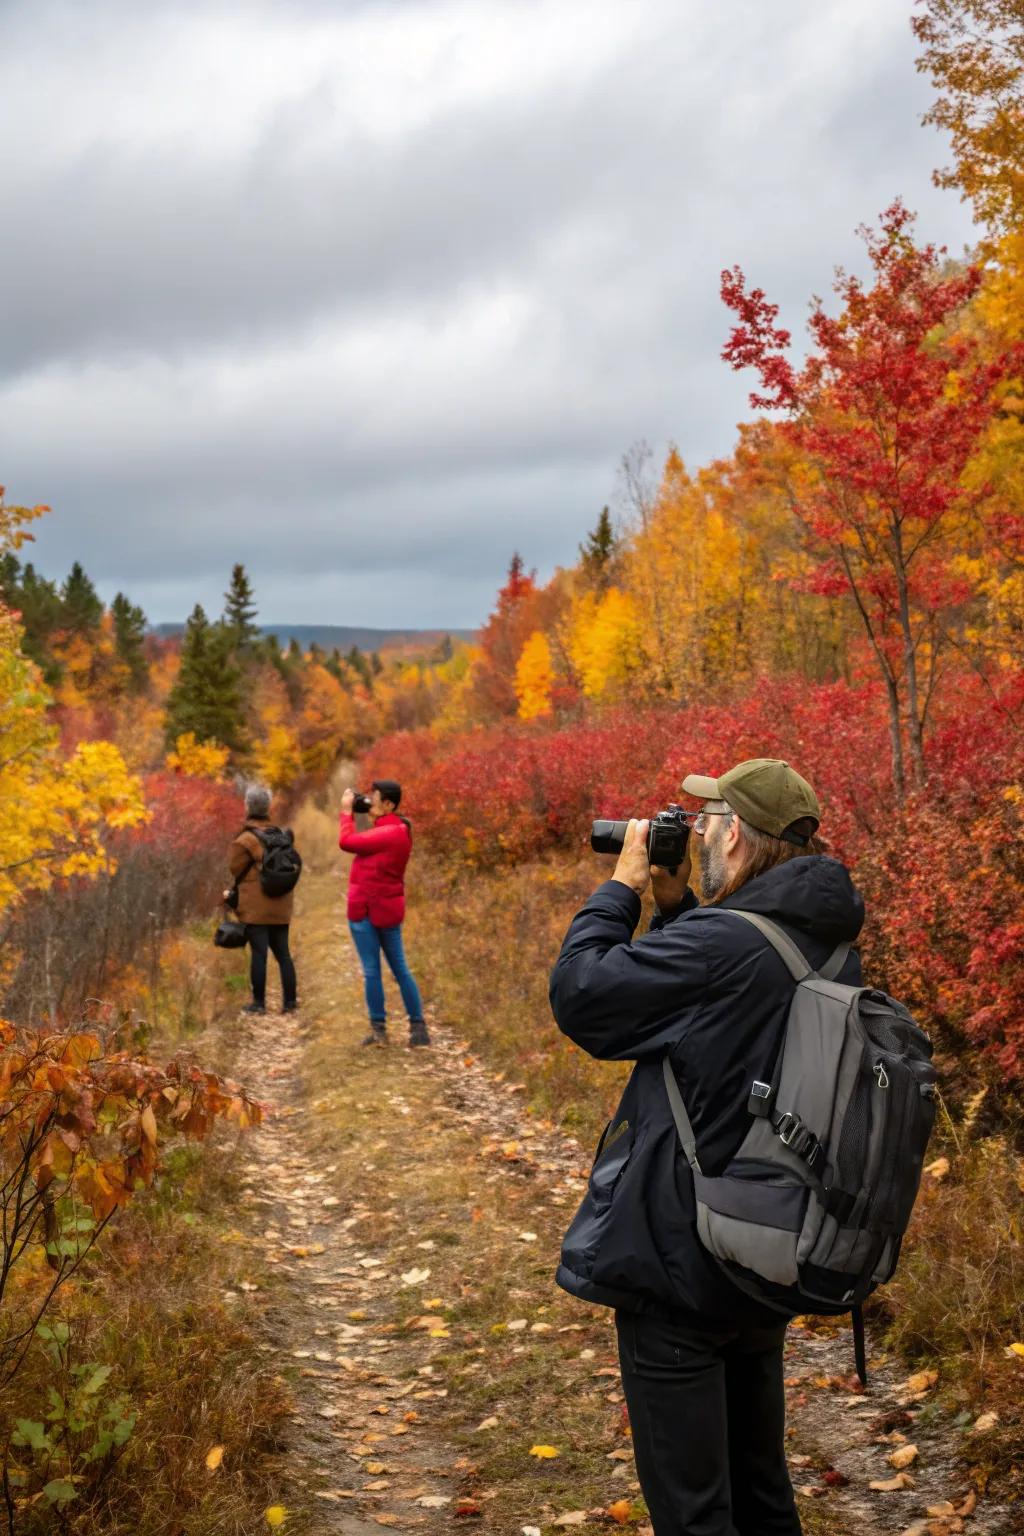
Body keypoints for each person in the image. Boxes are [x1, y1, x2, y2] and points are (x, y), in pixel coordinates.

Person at [549, 758, 864, 1536]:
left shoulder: (722, 944)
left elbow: (584, 998)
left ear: (739, 837)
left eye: (708, 821)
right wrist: (677, 906)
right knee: (760, 1492)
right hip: (763, 1244)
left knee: (694, 1511)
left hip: (680, 1263)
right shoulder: (822, 942)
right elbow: (713, 1018)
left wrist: (621, 889)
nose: (696, 834)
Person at [339, 779, 429, 1048]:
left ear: (389, 804)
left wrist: (346, 812)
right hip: (386, 910)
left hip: (368, 910)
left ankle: (380, 1030)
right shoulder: (397, 829)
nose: (369, 802)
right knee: (400, 968)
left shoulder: (390, 832)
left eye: (374, 798)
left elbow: (346, 841)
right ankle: (418, 1028)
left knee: (372, 970)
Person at [228, 784, 298, 1016]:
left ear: (247, 806)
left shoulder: (244, 839)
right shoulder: (280, 836)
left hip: (255, 908)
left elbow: (234, 868)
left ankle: (258, 1004)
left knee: (259, 954)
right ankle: (290, 1003)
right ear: (268, 807)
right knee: (283, 954)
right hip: (281, 904)